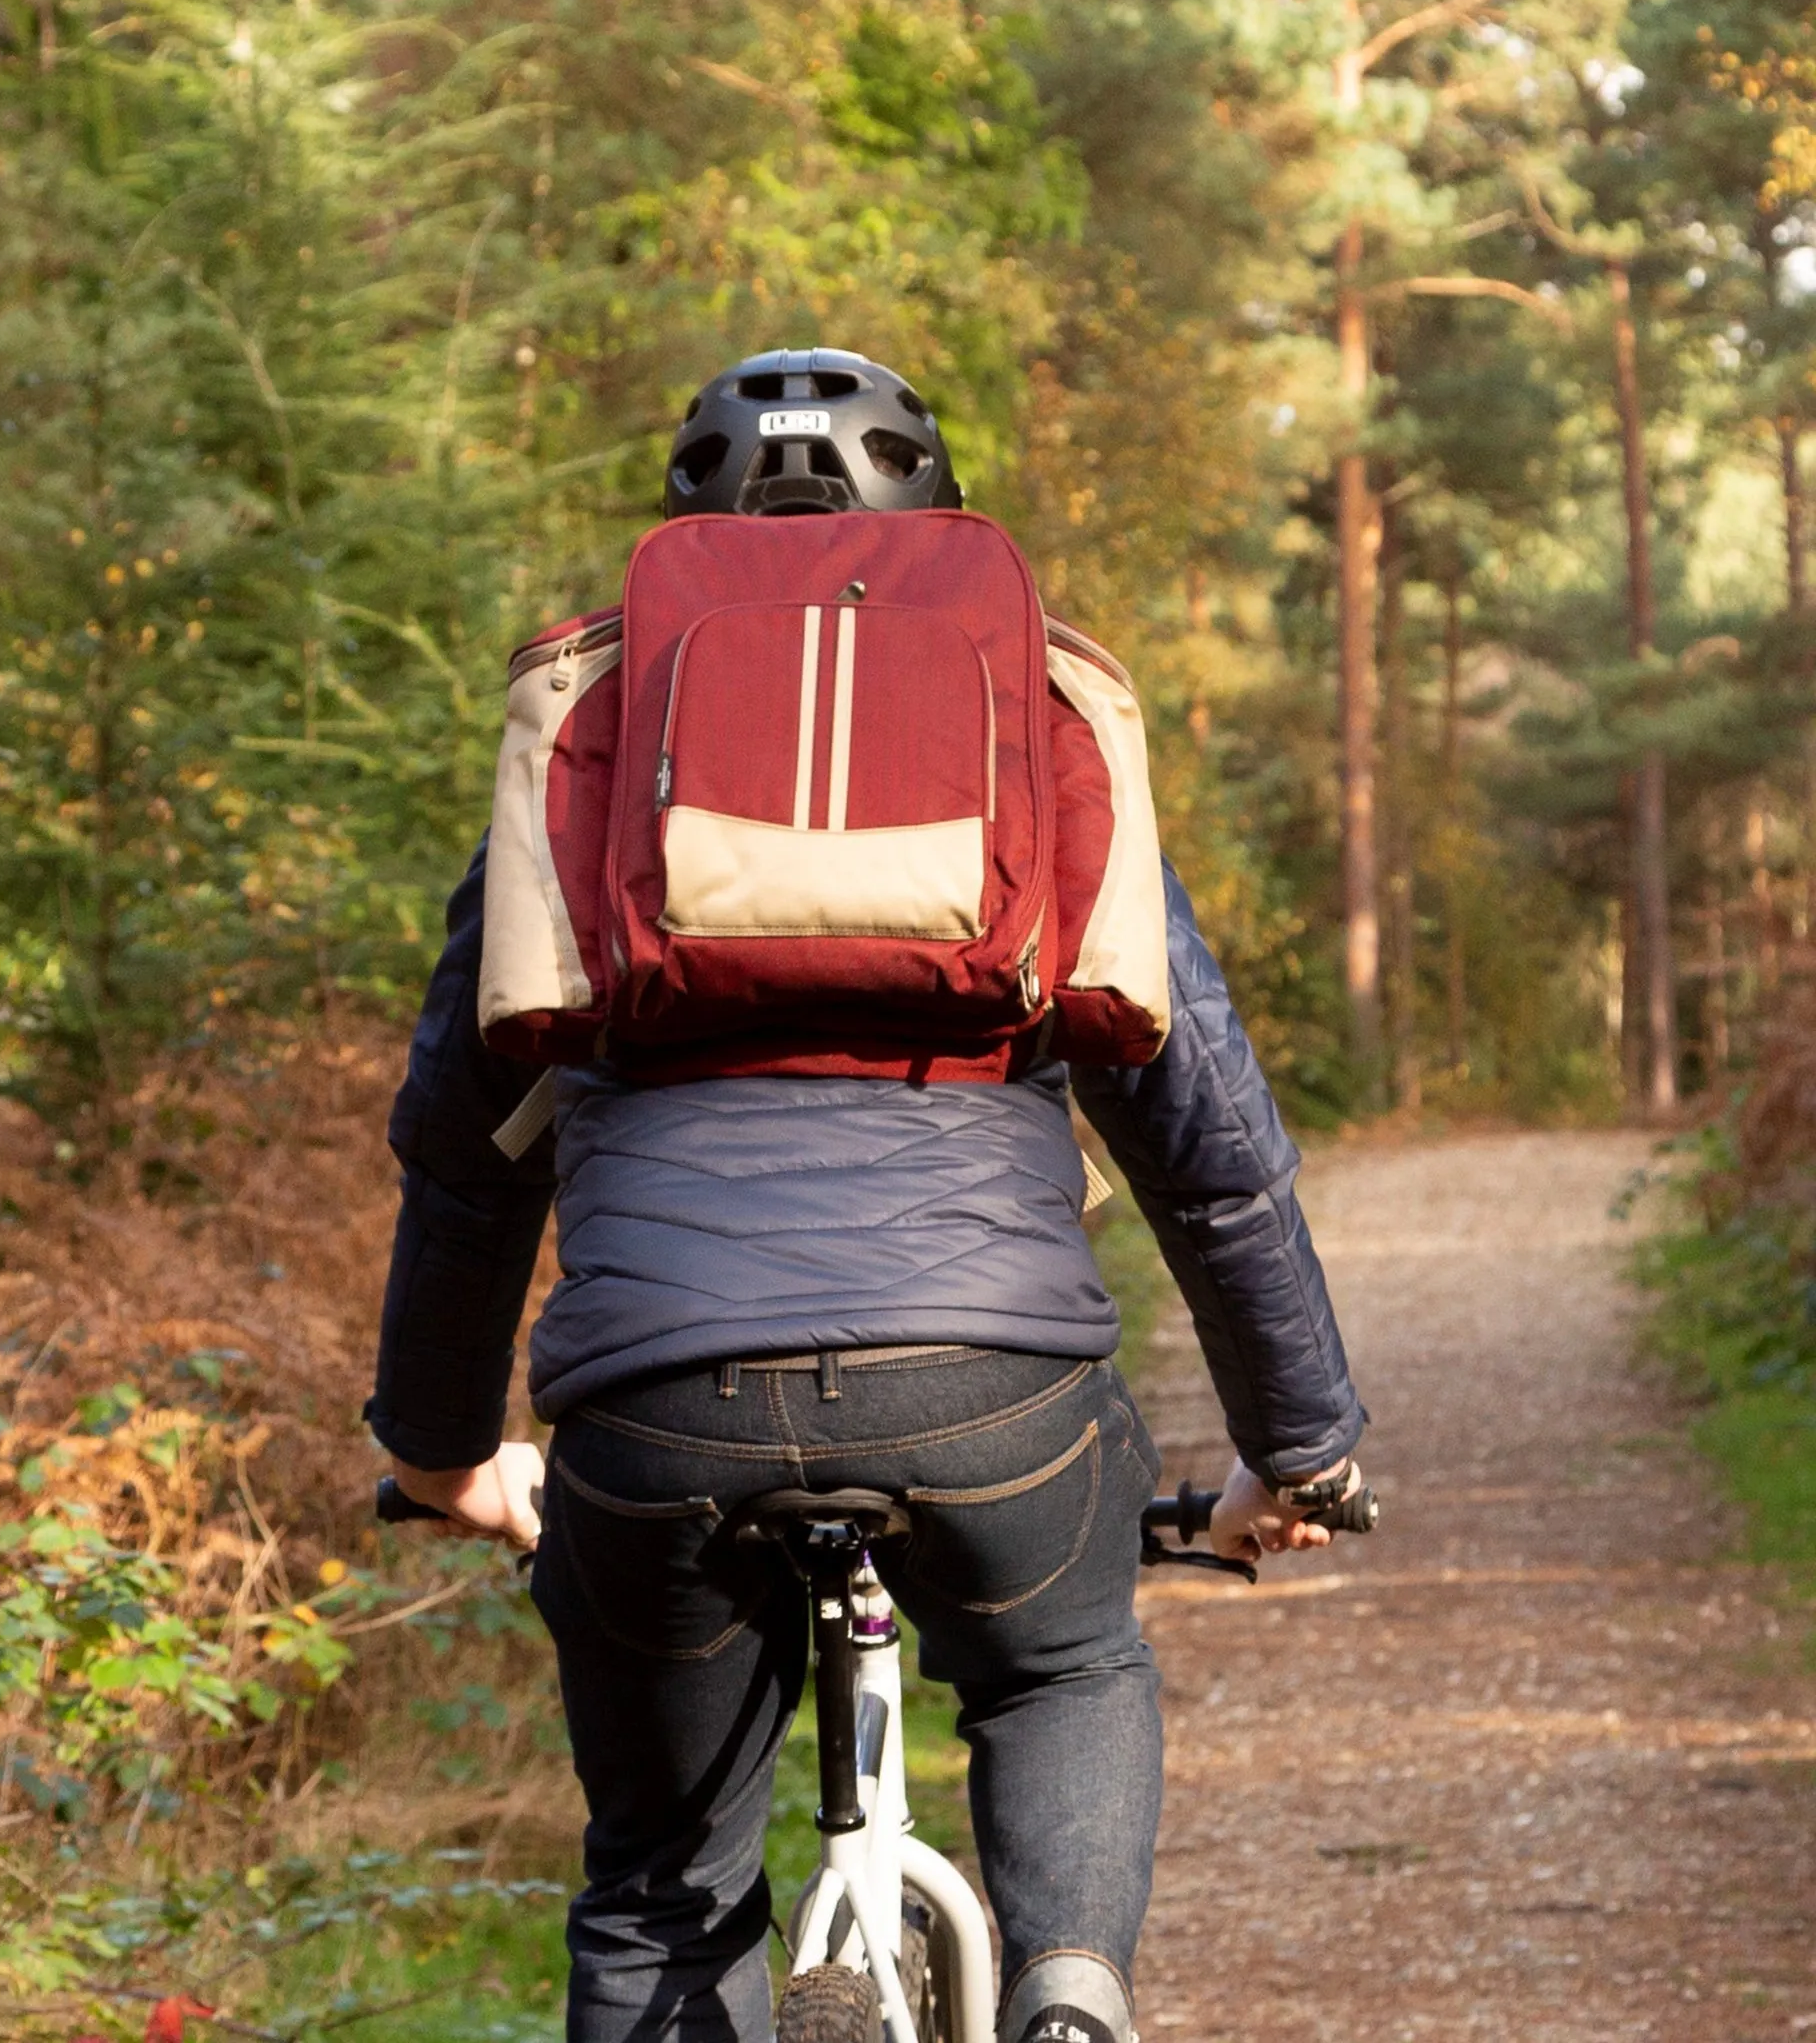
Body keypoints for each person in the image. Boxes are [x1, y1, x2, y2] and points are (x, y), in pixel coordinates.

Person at [368, 348, 1367, 2043]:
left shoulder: (598, 747)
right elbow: (1208, 1146)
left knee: (657, 1891)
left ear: (681, 520)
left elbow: (468, 1157)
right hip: (999, 1390)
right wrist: (1304, 1443)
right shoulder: (1030, 736)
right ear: (937, 516)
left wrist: (442, 1450)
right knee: (1063, 1664)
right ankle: (1066, 1990)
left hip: (659, 1400)